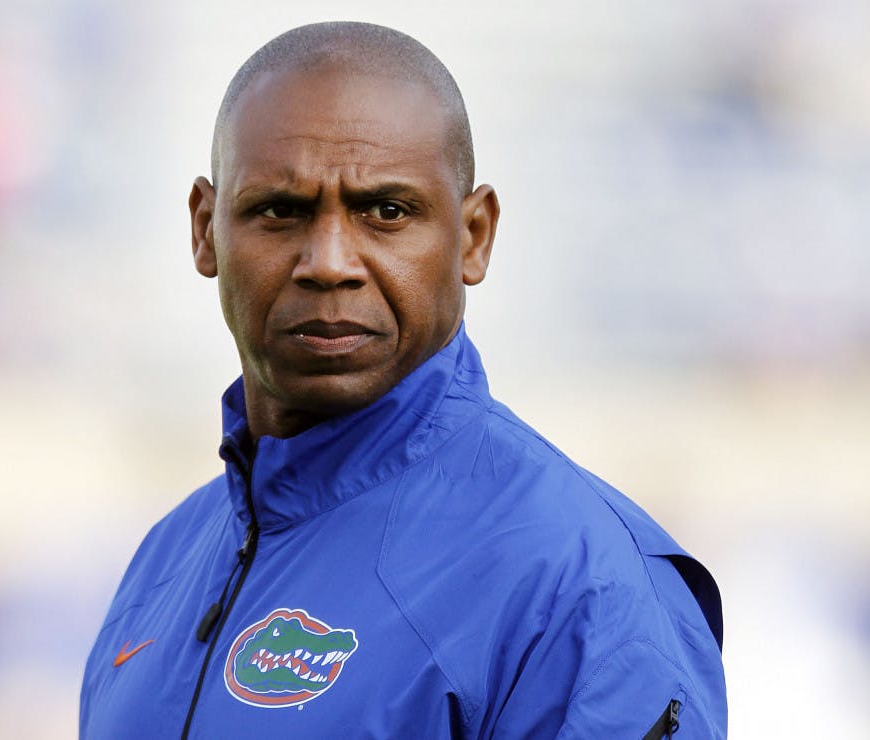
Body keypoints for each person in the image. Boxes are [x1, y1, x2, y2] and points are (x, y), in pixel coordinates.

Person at [80, 22, 727, 739]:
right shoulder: (165, 561)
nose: (328, 261)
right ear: (205, 229)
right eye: (280, 211)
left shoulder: (577, 583)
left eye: (386, 212)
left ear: (473, 237)